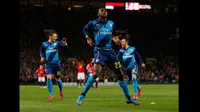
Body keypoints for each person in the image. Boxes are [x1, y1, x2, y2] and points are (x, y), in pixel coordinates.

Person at [76, 8, 140, 106]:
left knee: (120, 74)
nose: (104, 11)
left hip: (110, 52)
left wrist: (114, 38)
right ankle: (82, 95)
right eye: (102, 11)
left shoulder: (111, 23)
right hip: (99, 51)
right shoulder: (93, 23)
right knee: (96, 73)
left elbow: (113, 34)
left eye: (105, 11)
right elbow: (84, 29)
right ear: (98, 14)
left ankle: (128, 98)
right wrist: (87, 37)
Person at [40, 30, 68, 101]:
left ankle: (61, 92)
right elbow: (41, 50)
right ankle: (51, 95)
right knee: (48, 77)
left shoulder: (57, 43)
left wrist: (65, 44)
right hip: (48, 65)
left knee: (58, 78)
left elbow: (64, 46)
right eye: (54, 36)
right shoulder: (44, 44)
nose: (56, 38)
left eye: (56, 36)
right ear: (50, 36)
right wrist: (42, 56)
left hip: (57, 65)